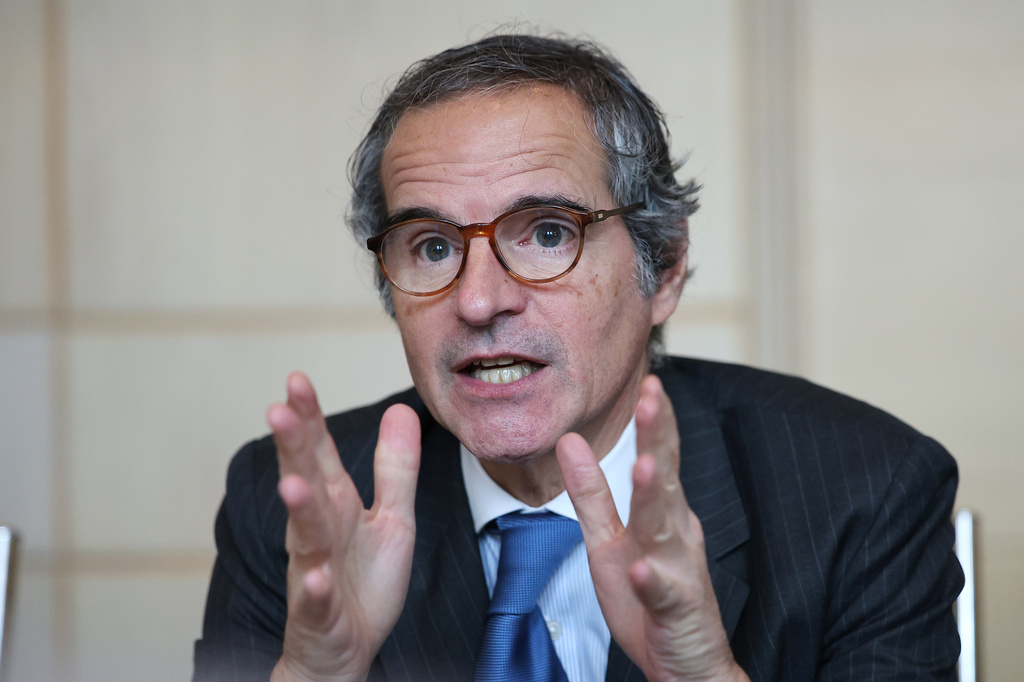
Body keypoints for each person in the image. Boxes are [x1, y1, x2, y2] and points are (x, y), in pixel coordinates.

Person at [193, 33, 963, 682]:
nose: (478, 300)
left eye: (549, 232)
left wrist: (702, 672)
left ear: (661, 269)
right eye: (432, 247)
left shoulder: (865, 491)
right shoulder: (290, 509)